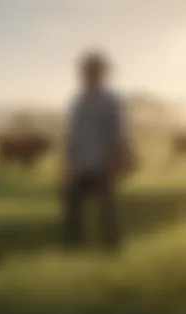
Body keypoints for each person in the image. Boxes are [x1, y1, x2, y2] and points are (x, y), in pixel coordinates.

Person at [62, 50, 133, 251]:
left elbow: (119, 136)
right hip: (80, 166)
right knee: (73, 209)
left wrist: (115, 166)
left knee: (107, 211)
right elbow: (72, 137)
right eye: (85, 71)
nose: (88, 75)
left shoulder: (112, 101)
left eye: (94, 71)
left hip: (103, 166)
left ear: (103, 74)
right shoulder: (77, 102)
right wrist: (67, 166)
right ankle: (74, 248)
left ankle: (113, 249)